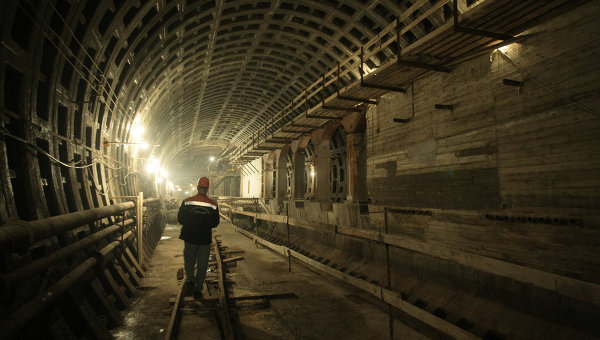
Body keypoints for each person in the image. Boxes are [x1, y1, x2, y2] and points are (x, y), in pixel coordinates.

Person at [177, 176, 220, 299]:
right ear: (207, 189)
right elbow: (215, 223)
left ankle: (190, 281)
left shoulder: (186, 201)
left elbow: (180, 219)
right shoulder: (213, 205)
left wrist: (191, 223)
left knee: (189, 260)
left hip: (190, 236)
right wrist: (203, 224)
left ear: (197, 187)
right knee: (202, 264)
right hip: (204, 238)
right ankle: (198, 289)